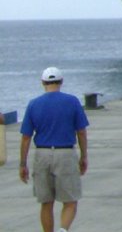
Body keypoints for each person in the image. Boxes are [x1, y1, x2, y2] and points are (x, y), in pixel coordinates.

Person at [19, 66, 89, 232]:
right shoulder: (72, 101)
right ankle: (63, 229)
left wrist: (23, 164)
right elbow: (81, 131)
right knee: (70, 201)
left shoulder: (34, 104)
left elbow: (26, 137)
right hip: (65, 153)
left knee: (46, 202)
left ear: (43, 82)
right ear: (61, 82)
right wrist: (83, 156)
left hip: (42, 153)